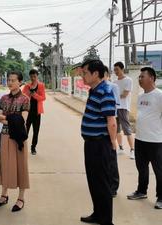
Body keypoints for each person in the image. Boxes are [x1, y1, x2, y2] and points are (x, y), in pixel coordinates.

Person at [80, 60, 117, 225]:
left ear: (96, 74)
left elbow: (112, 121)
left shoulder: (106, 91)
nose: (83, 75)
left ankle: (106, 220)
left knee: (102, 183)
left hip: (100, 144)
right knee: (93, 181)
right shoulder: (94, 90)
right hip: (91, 143)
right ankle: (98, 214)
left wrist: (113, 143)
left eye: (85, 72)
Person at [0, 71, 30, 212]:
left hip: (19, 137)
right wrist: (11, 119)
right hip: (5, 136)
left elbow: (22, 121)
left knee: (21, 166)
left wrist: (5, 119)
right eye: (8, 80)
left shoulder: (25, 99)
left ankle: (21, 198)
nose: (10, 82)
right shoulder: (3, 98)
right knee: (5, 165)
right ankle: (4, 195)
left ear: (20, 82)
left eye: (13, 80)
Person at [127, 67, 162, 209]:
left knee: (159, 170)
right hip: (140, 138)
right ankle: (141, 191)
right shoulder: (141, 96)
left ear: (152, 78)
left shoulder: (159, 95)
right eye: (139, 77)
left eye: (142, 76)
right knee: (142, 168)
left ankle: (161, 197)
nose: (139, 79)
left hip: (156, 140)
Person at [104, 66, 120, 197]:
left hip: (110, 123)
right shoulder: (96, 88)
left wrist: (113, 137)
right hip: (102, 127)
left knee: (111, 158)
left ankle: (114, 186)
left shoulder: (112, 87)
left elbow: (114, 108)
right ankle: (106, 184)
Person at [113, 62, 135, 159]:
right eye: (115, 69)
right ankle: (121, 148)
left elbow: (124, 95)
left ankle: (132, 150)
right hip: (115, 108)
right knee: (117, 129)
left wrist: (114, 97)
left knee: (127, 129)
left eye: (117, 69)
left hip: (123, 107)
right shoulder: (114, 82)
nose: (116, 71)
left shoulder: (128, 80)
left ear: (122, 69)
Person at [22, 69, 46, 155]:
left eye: (34, 76)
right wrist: (28, 94)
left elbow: (43, 98)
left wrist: (34, 95)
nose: (33, 78)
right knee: (25, 130)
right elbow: (22, 97)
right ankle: (23, 146)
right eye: (31, 76)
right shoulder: (27, 86)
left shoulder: (41, 86)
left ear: (37, 76)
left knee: (36, 131)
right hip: (27, 113)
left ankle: (33, 148)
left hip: (37, 113)